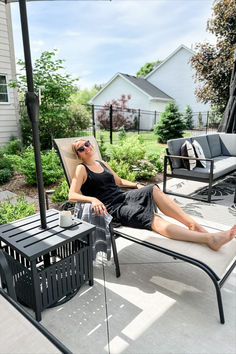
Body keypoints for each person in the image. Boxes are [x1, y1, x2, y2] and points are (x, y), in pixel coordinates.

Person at [69, 139, 236, 252]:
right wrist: (93, 199)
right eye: (81, 149)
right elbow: (72, 195)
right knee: (152, 218)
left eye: (87, 144)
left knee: (153, 189)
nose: (86, 148)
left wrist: (136, 185)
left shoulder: (101, 163)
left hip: (122, 197)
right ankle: (208, 239)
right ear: (79, 155)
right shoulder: (81, 169)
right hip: (112, 208)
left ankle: (193, 225)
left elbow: (119, 181)